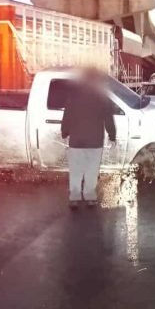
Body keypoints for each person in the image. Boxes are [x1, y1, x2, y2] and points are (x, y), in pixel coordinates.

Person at [61, 69, 116, 209]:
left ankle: (74, 197)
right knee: (92, 170)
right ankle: (90, 196)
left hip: (76, 140)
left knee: (76, 170)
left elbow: (67, 116)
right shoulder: (101, 96)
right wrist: (112, 135)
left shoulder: (74, 95)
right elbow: (108, 118)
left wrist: (64, 133)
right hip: (95, 140)